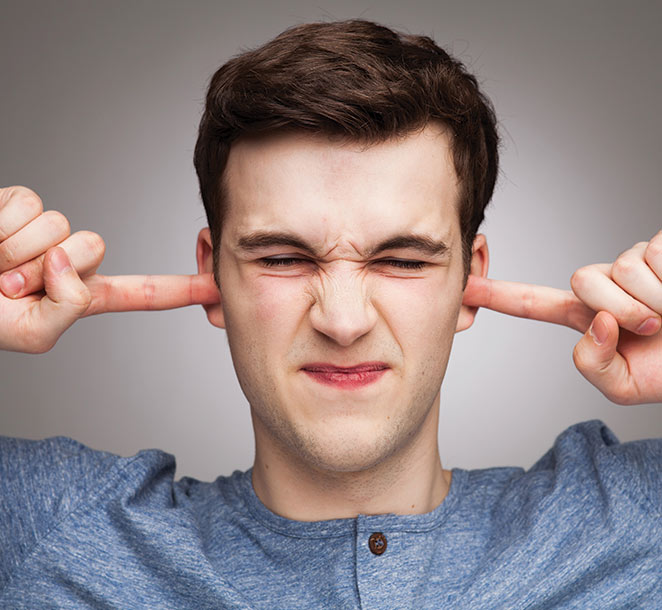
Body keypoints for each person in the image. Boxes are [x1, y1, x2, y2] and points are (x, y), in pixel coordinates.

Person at [1, 19, 660, 608]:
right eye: (283, 258)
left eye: (402, 260)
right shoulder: (52, 526)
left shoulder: (632, 521)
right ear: (213, 274)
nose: (343, 323)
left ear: (471, 279)